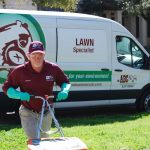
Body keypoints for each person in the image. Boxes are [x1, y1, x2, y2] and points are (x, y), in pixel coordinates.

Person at [2, 41, 71, 139]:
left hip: (47, 111)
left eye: (40, 55)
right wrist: (18, 94)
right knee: (35, 140)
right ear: (28, 56)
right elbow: (6, 87)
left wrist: (64, 90)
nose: (37, 58)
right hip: (28, 111)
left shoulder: (53, 68)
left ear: (44, 54)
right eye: (34, 55)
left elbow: (65, 82)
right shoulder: (20, 71)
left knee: (45, 139)